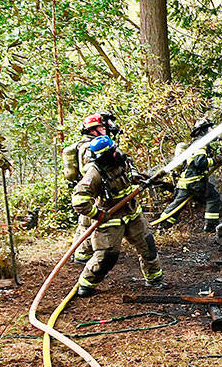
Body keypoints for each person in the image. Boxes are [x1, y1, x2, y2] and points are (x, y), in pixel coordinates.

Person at [70, 135, 164, 297]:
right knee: (107, 256)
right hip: (110, 220)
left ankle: (154, 278)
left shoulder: (121, 161)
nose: (116, 153)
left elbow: (131, 173)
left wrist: (139, 179)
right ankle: (87, 283)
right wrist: (98, 214)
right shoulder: (94, 174)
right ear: (104, 157)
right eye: (112, 152)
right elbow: (79, 201)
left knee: (148, 246)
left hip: (132, 214)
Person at [61, 112, 121, 264]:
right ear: (93, 130)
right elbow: (89, 170)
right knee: (87, 224)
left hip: (94, 191)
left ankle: (81, 255)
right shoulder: (89, 147)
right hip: (92, 191)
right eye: (103, 127)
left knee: (86, 224)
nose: (107, 129)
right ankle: (81, 256)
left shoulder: (95, 142)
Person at [154, 117, 222, 232]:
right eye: (209, 128)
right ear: (202, 131)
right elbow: (200, 162)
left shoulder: (197, 144)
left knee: (177, 206)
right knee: (213, 197)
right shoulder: (201, 144)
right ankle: (210, 227)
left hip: (185, 182)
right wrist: (215, 160)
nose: (212, 130)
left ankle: (162, 226)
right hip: (195, 182)